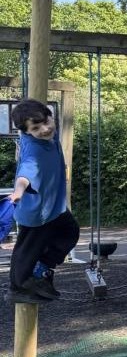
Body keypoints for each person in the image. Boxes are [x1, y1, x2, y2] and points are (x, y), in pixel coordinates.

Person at [6, 99, 80, 303]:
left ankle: (41, 269)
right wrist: (18, 191)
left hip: (53, 207)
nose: (45, 129)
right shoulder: (34, 150)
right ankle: (17, 288)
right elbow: (26, 172)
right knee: (27, 250)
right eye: (36, 128)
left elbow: (39, 122)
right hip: (37, 211)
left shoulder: (50, 136)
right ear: (27, 132)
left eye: (46, 122)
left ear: (51, 116)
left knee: (70, 231)